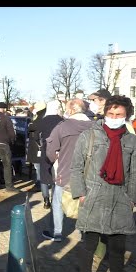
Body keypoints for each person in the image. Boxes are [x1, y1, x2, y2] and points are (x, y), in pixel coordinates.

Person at [71, 95, 136, 272]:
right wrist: (81, 194)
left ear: (126, 116)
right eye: (111, 113)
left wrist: (133, 199)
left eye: (119, 114)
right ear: (105, 113)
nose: (114, 117)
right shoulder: (88, 136)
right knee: (88, 247)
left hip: (121, 200)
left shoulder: (133, 141)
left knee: (117, 251)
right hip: (93, 197)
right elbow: (76, 167)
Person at [42, 99, 93, 242]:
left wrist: (54, 159)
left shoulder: (62, 126)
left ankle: (57, 233)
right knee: (87, 204)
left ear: (70, 110)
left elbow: (50, 150)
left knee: (58, 203)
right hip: (90, 173)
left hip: (65, 172)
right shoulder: (95, 126)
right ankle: (85, 234)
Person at [37, 100, 64, 209]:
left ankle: (46, 199)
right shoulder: (62, 121)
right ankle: (55, 199)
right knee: (56, 175)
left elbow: (35, 136)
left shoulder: (43, 121)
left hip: (45, 149)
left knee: (44, 174)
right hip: (59, 150)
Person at [0, 102, 18, 192]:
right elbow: (11, 133)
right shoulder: (6, 118)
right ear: (4, 109)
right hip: (4, 144)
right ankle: (9, 186)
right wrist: (12, 141)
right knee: (7, 165)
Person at [27, 101, 46, 192]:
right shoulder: (42, 117)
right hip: (38, 145)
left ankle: (40, 183)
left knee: (38, 166)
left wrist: (31, 125)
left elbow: (32, 127)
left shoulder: (40, 118)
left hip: (37, 146)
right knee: (38, 166)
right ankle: (40, 182)